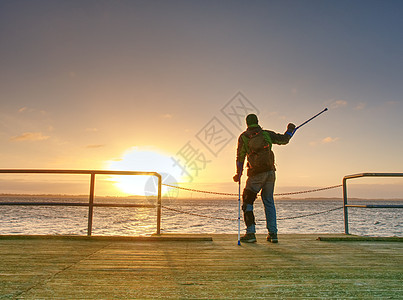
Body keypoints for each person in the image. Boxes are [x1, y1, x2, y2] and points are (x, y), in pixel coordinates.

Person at [233, 113, 295, 243]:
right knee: (268, 201)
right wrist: (290, 130)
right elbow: (284, 140)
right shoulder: (266, 133)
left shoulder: (244, 137)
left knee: (247, 201)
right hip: (271, 173)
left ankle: (250, 233)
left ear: (247, 123)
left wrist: (239, 174)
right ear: (257, 122)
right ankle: (273, 234)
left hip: (256, 174)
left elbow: (240, 157)